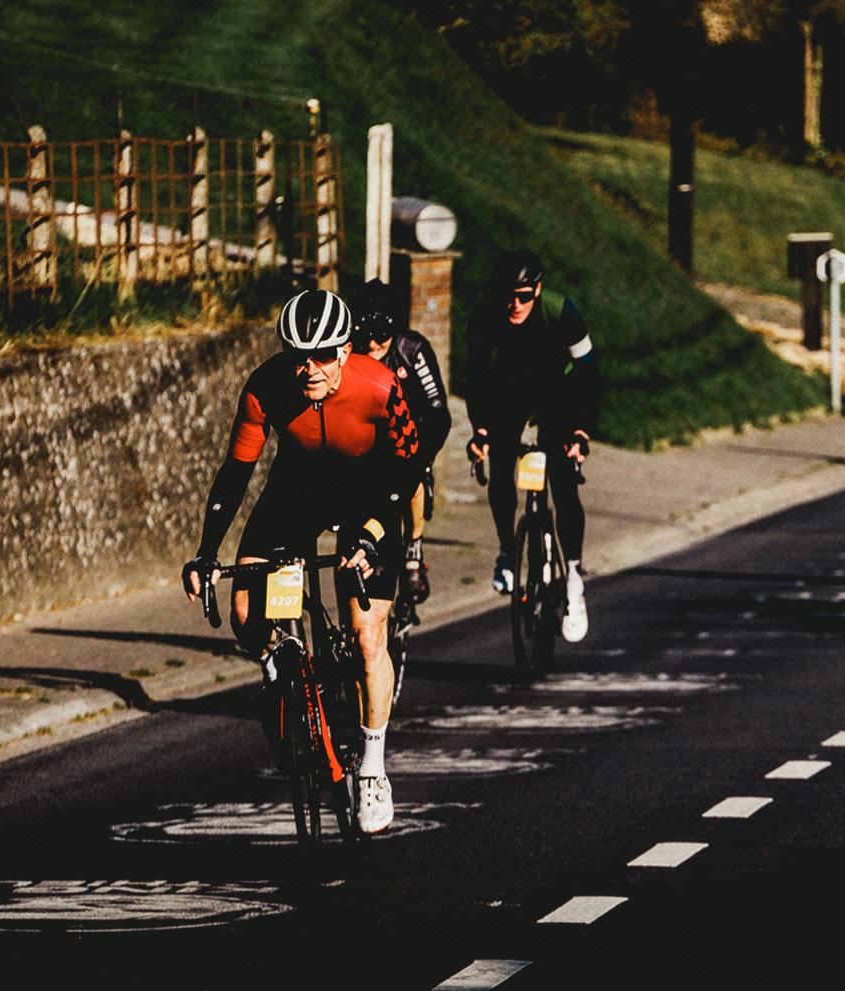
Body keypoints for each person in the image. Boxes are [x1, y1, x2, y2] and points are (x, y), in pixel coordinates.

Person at [182, 289, 421, 835]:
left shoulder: (380, 385)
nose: (308, 369)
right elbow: (235, 474)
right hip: (297, 489)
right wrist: (206, 551)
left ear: (344, 350)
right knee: (245, 610)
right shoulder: (266, 388)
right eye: (298, 356)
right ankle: (283, 670)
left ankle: (374, 768)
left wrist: (373, 532)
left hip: (369, 491)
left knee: (366, 636)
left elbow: (407, 467)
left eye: (322, 356)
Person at [465, 249, 600, 642]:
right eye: (509, 294)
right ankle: (508, 550)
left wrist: (581, 432)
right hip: (511, 391)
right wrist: (482, 430)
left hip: (559, 391)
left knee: (563, 480)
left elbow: (589, 376)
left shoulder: (560, 311)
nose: (516, 304)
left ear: (538, 290)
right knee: (502, 464)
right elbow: (476, 380)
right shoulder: (486, 317)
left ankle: (574, 576)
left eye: (524, 295)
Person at [349, 280, 452, 605]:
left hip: (412, 437)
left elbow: (438, 410)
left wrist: (422, 456)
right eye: (366, 336)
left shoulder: (413, 350)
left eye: (383, 336)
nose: (374, 344)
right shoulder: (352, 351)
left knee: (413, 477)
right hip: (369, 440)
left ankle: (414, 549)